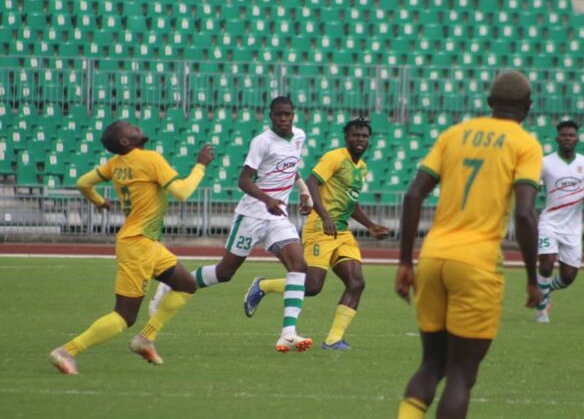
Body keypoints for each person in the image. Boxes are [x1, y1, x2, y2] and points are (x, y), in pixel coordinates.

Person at [394, 71, 543, 418]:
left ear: (490, 102)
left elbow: (414, 193)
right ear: (528, 107)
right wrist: (534, 279)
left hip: (432, 257)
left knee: (431, 363)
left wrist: (404, 262)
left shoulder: (454, 135)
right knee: (461, 374)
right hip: (476, 263)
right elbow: (524, 215)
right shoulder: (525, 144)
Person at [149, 96, 314, 353]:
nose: (283, 119)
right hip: (251, 215)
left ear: (294, 115)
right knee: (224, 273)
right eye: (278, 115)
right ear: (270, 116)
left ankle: (288, 333)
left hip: (278, 215)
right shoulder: (262, 142)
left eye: (287, 114)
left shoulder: (299, 137)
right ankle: (173, 282)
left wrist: (304, 192)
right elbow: (244, 180)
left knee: (299, 264)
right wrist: (267, 198)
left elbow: (291, 168)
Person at [49, 120, 214, 374]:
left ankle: (145, 339)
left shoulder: (115, 164)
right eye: (130, 127)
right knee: (124, 317)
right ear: (125, 142)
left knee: (186, 285)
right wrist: (201, 165)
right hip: (138, 245)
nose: (136, 127)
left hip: (147, 243)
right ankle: (67, 351)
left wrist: (99, 201)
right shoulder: (149, 159)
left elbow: (83, 182)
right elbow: (182, 192)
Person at [242, 117, 390, 350]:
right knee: (311, 286)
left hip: (342, 233)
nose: (360, 139)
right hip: (320, 229)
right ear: (346, 138)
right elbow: (311, 181)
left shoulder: (361, 167)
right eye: (356, 135)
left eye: (364, 136)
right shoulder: (335, 157)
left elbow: (351, 203)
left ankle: (333, 340)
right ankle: (263, 286)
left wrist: (370, 225)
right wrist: (325, 216)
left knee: (356, 283)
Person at [535, 120, 584, 323]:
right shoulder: (544, 163)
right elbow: (534, 184)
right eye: (564, 135)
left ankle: (546, 289)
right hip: (549, 222)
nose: (568, 138)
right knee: (546, 264)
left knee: (568, 277)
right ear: (557, 138)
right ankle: (541, 312)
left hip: (572, 227)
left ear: (577, 138)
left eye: (571, 135)